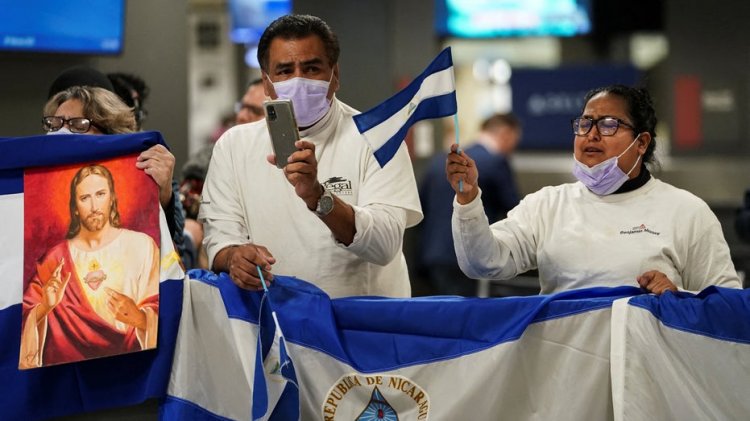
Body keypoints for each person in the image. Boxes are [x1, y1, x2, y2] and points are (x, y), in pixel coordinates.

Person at [199, 14, 422, 298]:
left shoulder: (376, 138)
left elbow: (385, 245)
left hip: (363, 327)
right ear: (267, 84)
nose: (299, 80)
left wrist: (318, 197)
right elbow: (219, 241)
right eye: (284, 70)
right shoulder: (234, 146)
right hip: (276, 325)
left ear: (335, 75)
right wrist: (234, 258)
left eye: (311, 68)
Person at [447, 84, 741, 295]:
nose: (592, 135)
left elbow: (728, 306)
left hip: (646, 375)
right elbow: (483, 263)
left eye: (609, 125)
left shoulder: (687, 211)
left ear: (641, 142)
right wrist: (469, 197)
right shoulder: (547, 205)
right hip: (564, 373)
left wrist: (679, 299)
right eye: (585, 123)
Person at [20, 164, 159, 368]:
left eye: (100, 194)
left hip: (132, 369)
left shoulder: (142, 246)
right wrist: (45, 307)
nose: (94, 206)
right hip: (70, 376)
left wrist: (139, 318)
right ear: (75, 207)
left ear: (112, 198)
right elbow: (24, 318)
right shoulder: (55, 258)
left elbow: (162, 308)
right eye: (85, 198)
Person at [47, 67, 187, 266]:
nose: (62, 133)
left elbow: (171, 263)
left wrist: (162, 200)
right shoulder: (35, 183)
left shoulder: (148, 173)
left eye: (78, 125)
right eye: (54, 125)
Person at [418, 113, 521, 296]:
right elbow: (515, 210)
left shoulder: (440, 161)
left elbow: (422, 205)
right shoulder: (495, 162)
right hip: (469, 256)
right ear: (506, 133)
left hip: (433, 254)